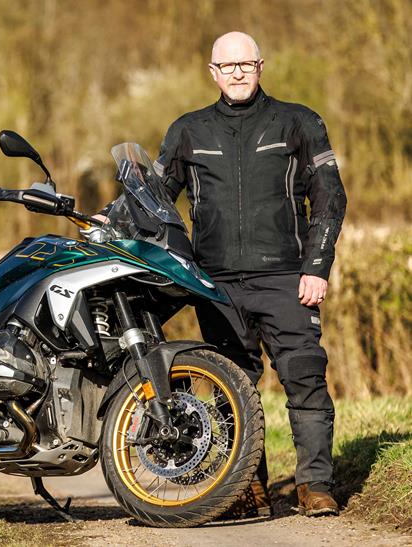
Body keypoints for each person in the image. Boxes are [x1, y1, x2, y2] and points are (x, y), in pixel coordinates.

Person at [103, 31, 347, 517]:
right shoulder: (188, 130)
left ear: (260, 66)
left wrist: (317, 268)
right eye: (227, 65)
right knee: (229, 389)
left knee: (305, 378)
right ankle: (246, 492)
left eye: (246, 63)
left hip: (286, 278)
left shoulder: (299, 122)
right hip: (214, 284)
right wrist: (110, 225)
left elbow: (329, 198)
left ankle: (314, 486)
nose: (237, 72)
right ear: (212, 73)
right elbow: (153, 197)